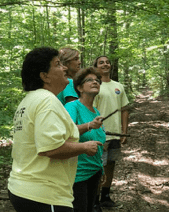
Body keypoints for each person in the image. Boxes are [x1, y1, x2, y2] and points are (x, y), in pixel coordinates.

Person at [8, 47, 102, 212]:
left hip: (23, 188)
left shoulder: (29, 100)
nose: (65, 68)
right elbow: (51, 147)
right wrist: (85, 147)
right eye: (58, 64)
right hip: (44, 195)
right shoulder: (47, 101)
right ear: (44, 76)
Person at [64, 67, 105, 212]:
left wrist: (101, 169)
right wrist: (89, 125)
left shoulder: (96, 111)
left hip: (94, 171)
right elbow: (66, 134)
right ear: (80, 87)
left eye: (97, 80)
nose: (95, 82)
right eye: (90, 80)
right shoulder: (72, 106)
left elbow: (98, 143)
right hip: (78, 174)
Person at [92, 56, 130, 209]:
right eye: (101, 62)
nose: (105, 64)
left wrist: (124, 131)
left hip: (115, 134)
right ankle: (94, 199)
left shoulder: (118, 86)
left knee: (111, 165)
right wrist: (97, 133)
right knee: (97, 166)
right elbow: (91, 110)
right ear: (96, 67)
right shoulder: (94, 85)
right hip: (101, 134)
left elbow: (124, 109)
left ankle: (106, 196)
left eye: (107, 62)